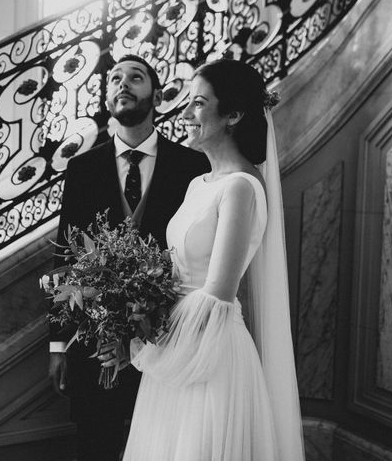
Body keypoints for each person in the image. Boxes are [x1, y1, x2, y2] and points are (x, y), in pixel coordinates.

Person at [122, 59, 305, 461]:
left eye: (199, 103)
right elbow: (172, 274)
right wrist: (132, 310)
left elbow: (218, 294)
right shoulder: (197, 185)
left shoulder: (240, 188)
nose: (185, 114)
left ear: (234, 115)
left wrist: (148, 337)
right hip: (177, 349)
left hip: (211, 355)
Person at [48, 54, 209, 461]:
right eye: (115, 78)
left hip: (167, 340)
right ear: (107, 97)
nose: (123, 83)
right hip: (93, 345)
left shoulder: (192, 165)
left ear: (156, 95)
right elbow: (64, 260)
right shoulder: (82, 168)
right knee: (94, 446)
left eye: (135, 77)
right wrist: (57, 344)